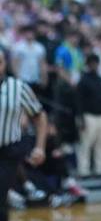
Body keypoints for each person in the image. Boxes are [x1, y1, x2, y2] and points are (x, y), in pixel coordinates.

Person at [0, 48, 47, 221]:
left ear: (5, 64)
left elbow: (39, 115)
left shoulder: (17, 87)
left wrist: (40, 148)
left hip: (7, 151)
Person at [75, 53, 101, 177]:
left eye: (96, 63)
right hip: (88, 116)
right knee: (86, 143)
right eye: (92, 63)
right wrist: (80, 118)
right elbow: (78, 101)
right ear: (88, 65)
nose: (94, 65)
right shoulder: (83, 81)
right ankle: (83, 170)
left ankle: (99, 169)